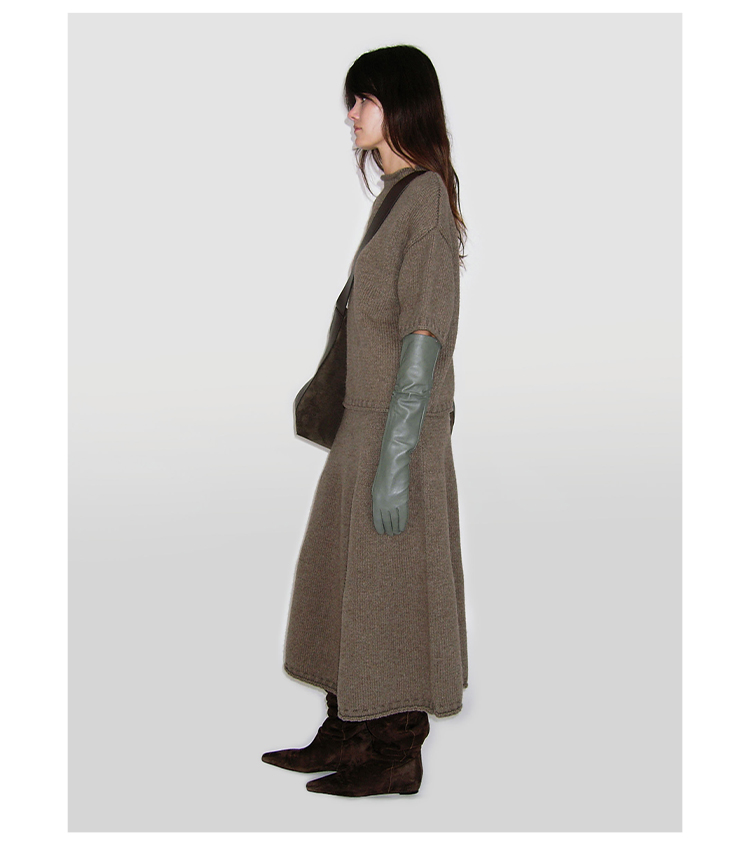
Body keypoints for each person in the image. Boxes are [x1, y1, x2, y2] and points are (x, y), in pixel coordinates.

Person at [262, 44, 469, 797]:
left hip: (394, 428)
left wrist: (397, 455)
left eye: (364, 100)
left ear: (401, 105)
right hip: (364, 421)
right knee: (344, 576)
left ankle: (395, 751)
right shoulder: (397, 195)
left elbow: (425, 334)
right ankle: (348, 730)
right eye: (351, 100)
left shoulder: (426, 201)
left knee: (393, 586)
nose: (350, 114)